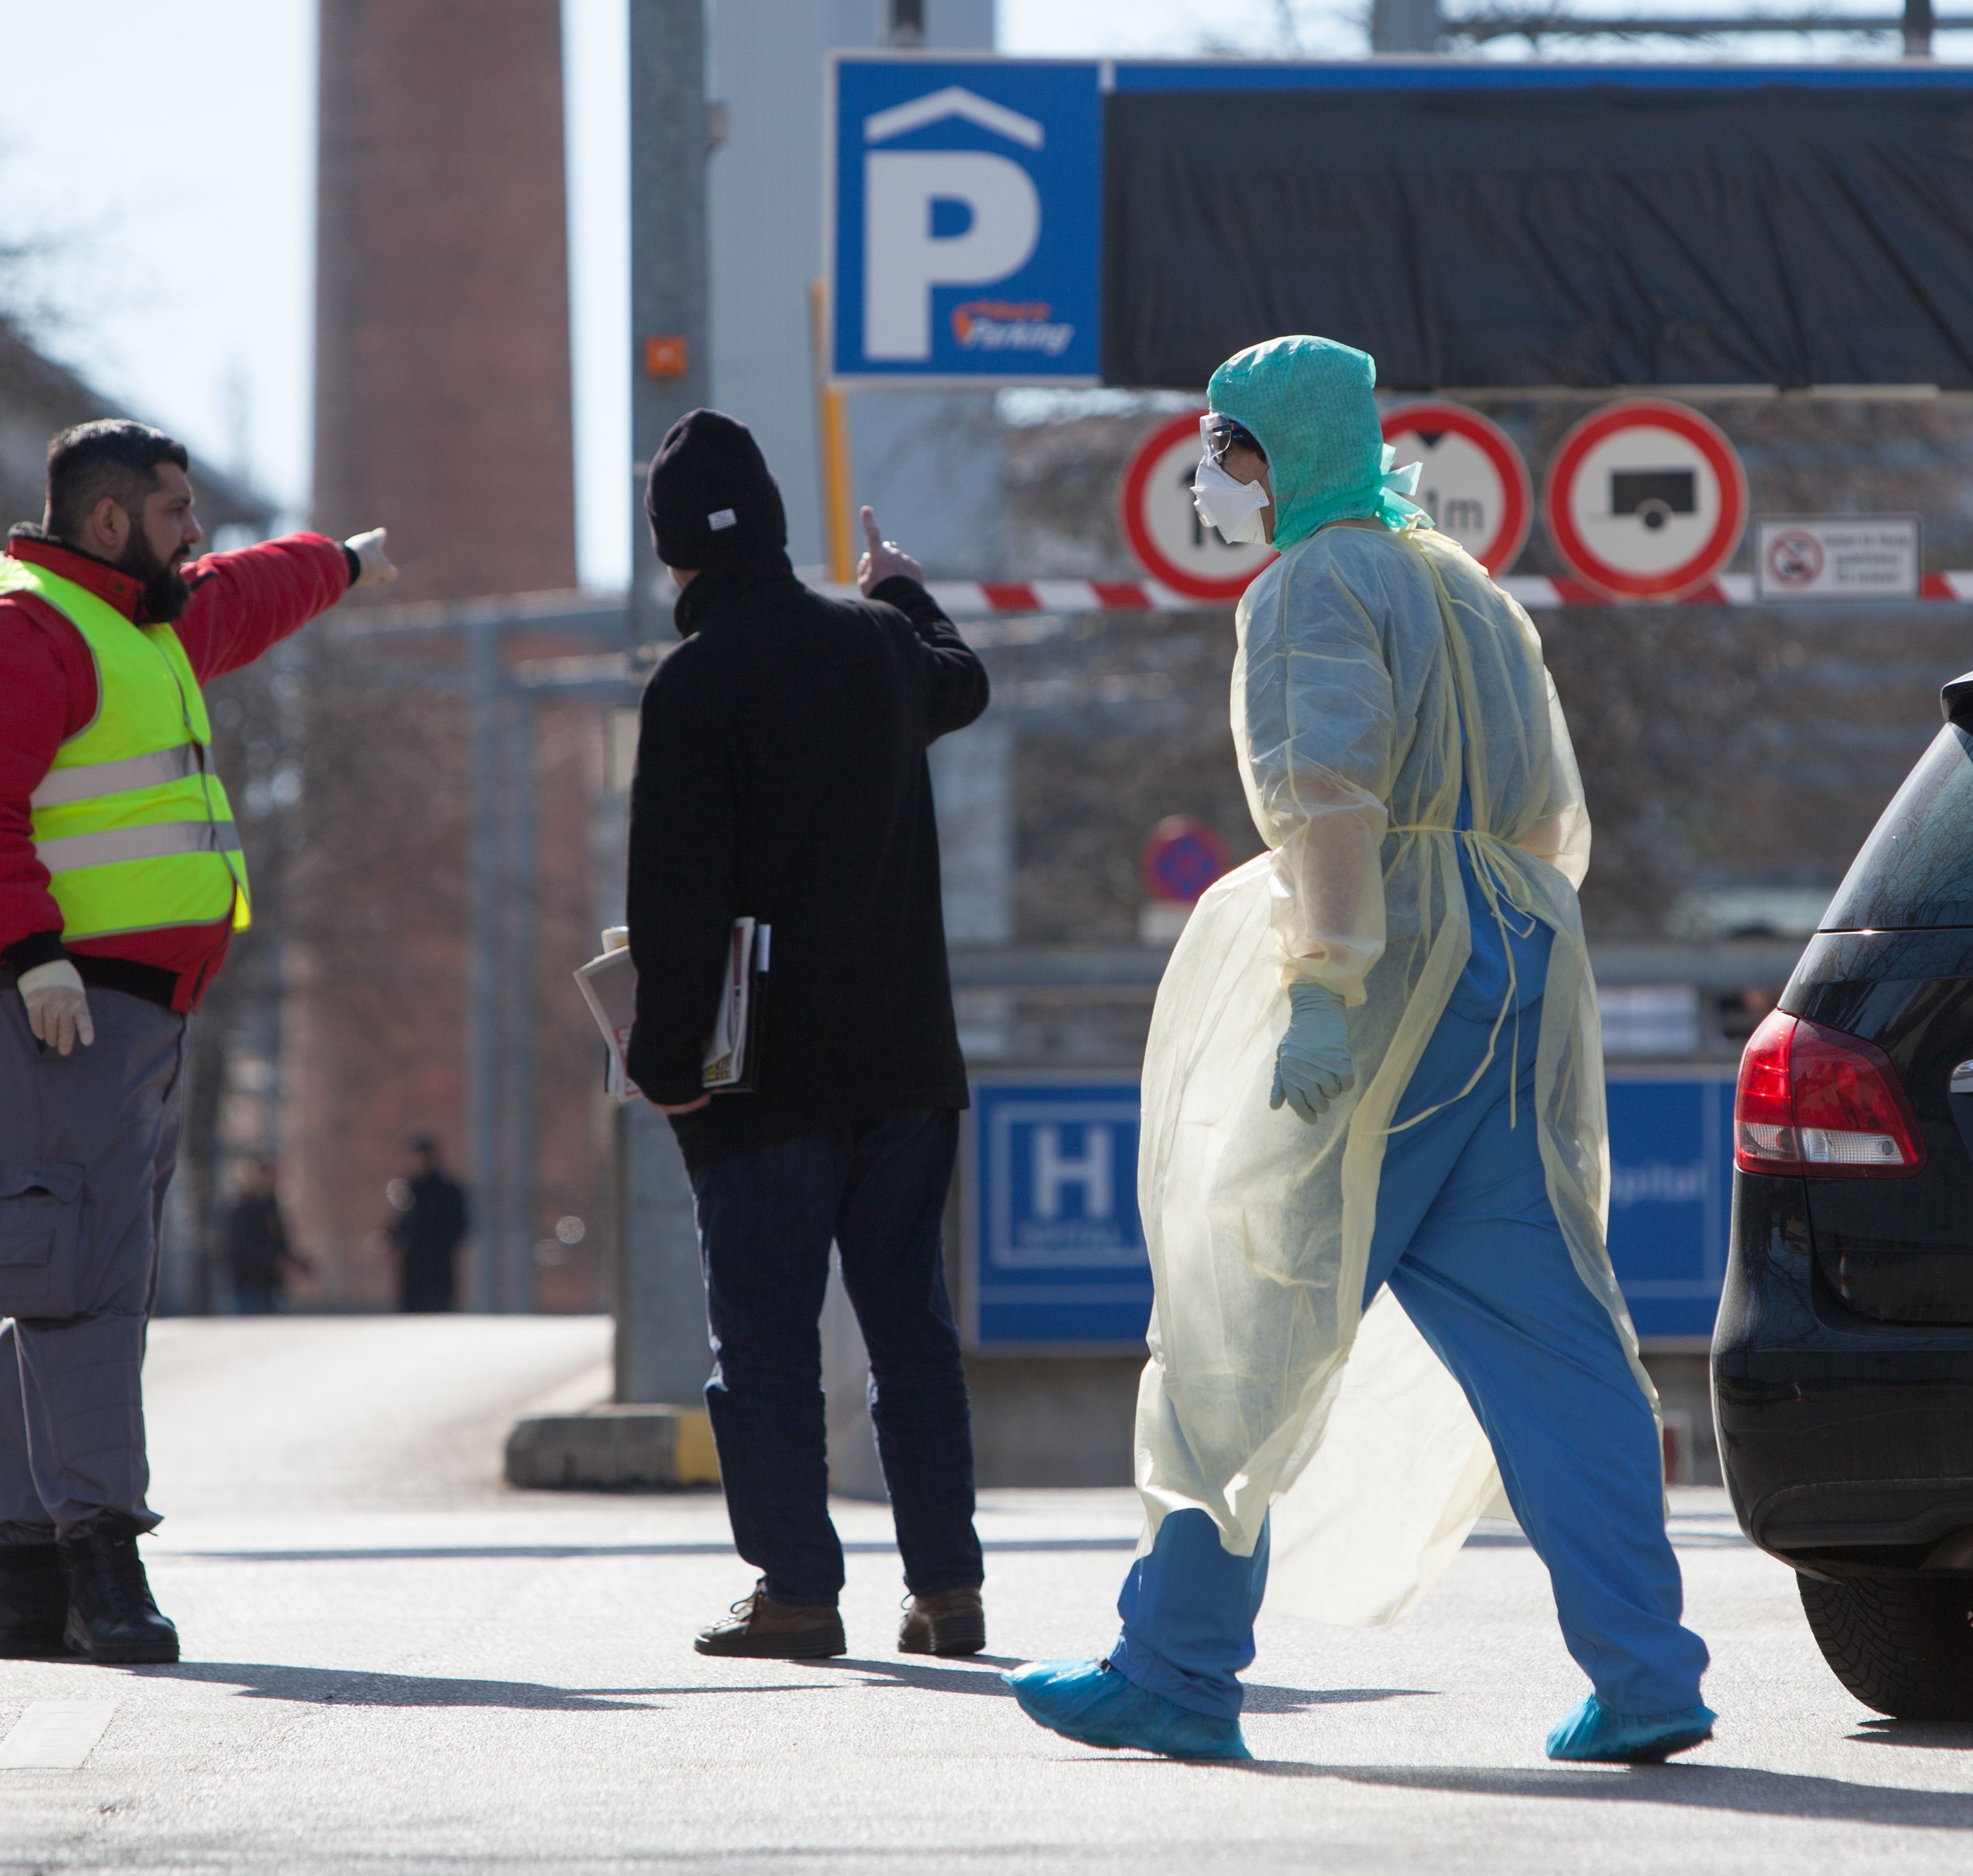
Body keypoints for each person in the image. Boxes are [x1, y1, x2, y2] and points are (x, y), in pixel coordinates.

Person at [1002, 338, 1712, 1763]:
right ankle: (1646, 1669)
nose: (1212, 477)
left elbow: (1324, 791)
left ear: (1282, 455)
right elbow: (1547, 816)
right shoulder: (1468, 590)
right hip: (1516, 966)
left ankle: (1177, 1664)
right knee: (1555, 1335)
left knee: (1246, 1311)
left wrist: (1326, 984)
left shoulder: (1311, 586)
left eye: (1228, 446)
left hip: (1391, 976)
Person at [0, 419, 396, 1664]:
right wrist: (34, 960)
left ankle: (27, 1585)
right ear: (112, 520)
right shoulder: (23, 627)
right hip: (68, 1008)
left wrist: (341, 561)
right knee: (84, 1289)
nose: (201, 536)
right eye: (180, 512)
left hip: (138, 1014)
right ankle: (102, 1564)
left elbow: (249, 593)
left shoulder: (142, 618)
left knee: (70, 1284)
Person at [621, 409, 988, 1662]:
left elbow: (675, 899)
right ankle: (947, 1586)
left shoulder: (691, 683)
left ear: (675, 557)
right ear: (776, 528)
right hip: (906, 1061)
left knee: (768, 1336)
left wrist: (664, 1064)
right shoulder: (880, 645)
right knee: (910, 1325)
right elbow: (966, 682)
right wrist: (906, 594)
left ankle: (796, 1589)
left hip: (759, 1068)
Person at [388, 1137, 469, 1314]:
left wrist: (443, 1245)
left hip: (439, 1265)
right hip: (413, 1265)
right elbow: (401, 1223)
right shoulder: (409, 1190)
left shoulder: (449, 1191)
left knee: (439, 1314)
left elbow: (460, 1225)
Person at [217, 1159, 307, 1314]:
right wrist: (275, 1261)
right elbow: (242, 1247)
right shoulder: (245, 1208)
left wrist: (301, 1265)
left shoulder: (271, 1207)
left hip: (271, 1286)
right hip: (249, 1287)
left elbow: (280, 1243)